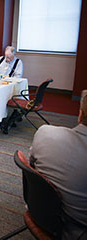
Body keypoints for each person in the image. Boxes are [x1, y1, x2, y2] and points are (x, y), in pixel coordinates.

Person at [30, 90, 87, 239]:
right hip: (77, 229)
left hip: (39, 209)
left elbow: (31, 163)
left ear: (80, 114)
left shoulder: (44, 132)